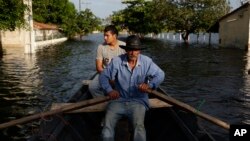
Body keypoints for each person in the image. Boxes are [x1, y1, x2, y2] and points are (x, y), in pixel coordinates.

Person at [99, 35, 165, 141]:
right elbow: (103, 76)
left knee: (139, 127)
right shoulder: (117, 61)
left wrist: (150, 85)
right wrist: (109, 90)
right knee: (107, 125)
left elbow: (160, 74)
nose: (133, 53)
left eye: (135, 50)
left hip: (138, 101)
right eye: (130, 50)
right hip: (118, 100)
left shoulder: (146, 62)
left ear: (139, 51)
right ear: (126, 50)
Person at [89, 25, 125, 98]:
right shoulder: (101, 47)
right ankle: (102, 104)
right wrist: (109, 77)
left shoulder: (124, 46)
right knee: (93, 87)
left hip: (120, 73)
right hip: (105, 73)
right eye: (104, 35)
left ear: (114, 36)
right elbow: (99, 67)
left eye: (107, 36)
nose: (105, 38)